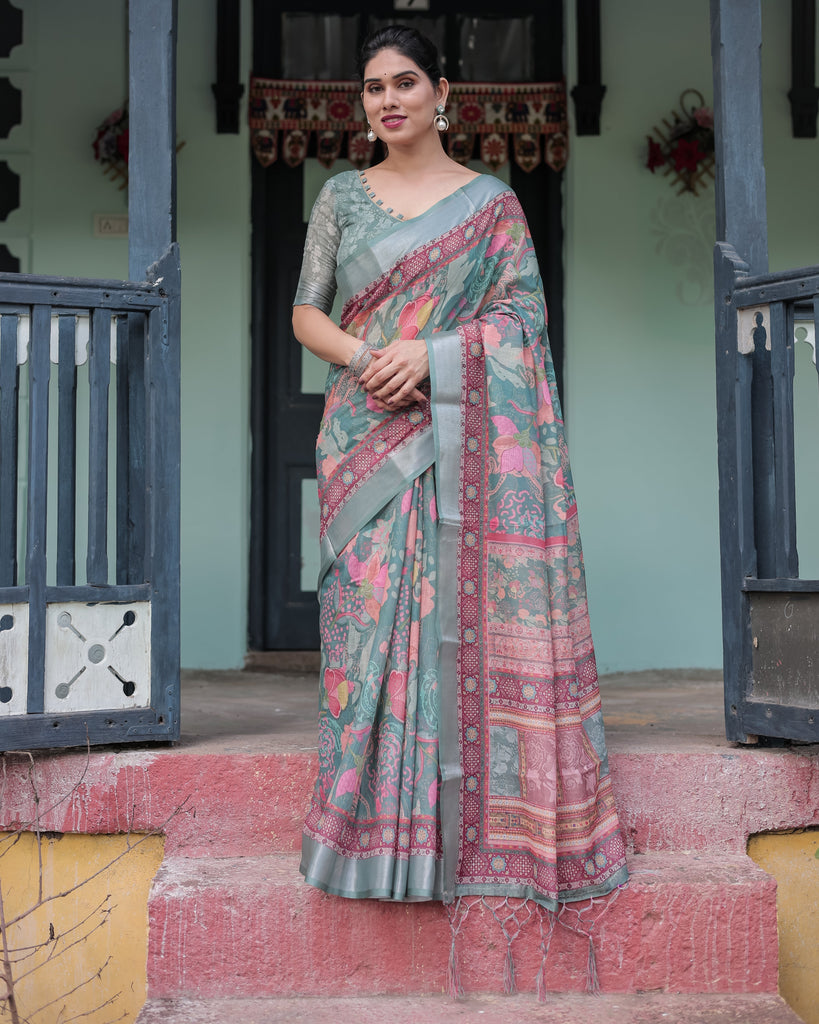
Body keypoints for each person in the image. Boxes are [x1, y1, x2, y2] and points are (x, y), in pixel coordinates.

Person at [292, 22, 628, 968]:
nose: (386, 101)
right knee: (367, 628)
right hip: (365, 436)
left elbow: (521, 319)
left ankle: (461, 834)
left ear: (444, 92)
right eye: (370, 88)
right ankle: (366, 838)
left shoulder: (491, 207)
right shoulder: (339, 199)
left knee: (457, 627)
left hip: (455, 433)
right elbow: (305, 311)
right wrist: (370, 359)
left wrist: (433, 356)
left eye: (404, 83)